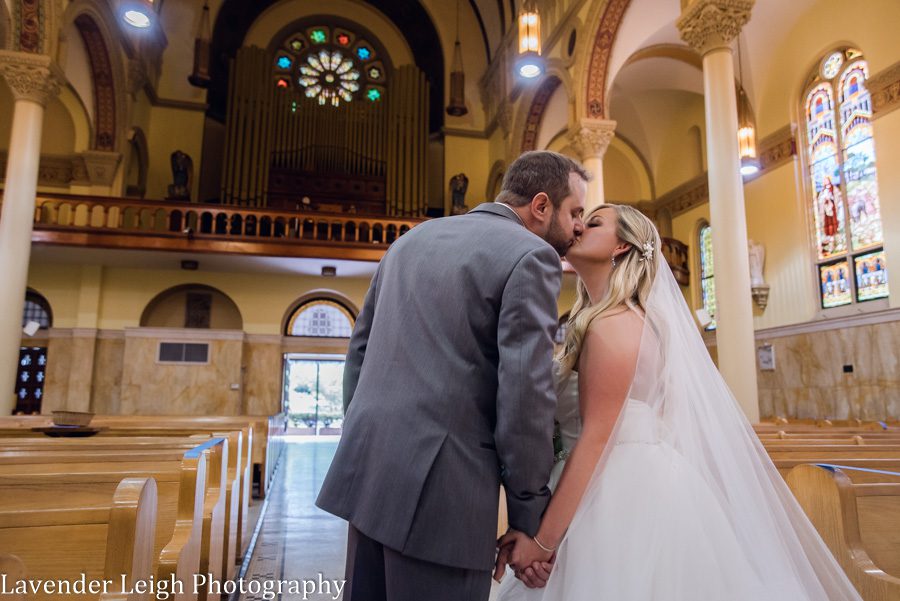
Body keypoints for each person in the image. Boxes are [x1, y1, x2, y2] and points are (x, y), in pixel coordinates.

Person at [495, 204, 863, 601]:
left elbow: (596, 439)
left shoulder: (614, 325)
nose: (580, 226)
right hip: (631, 478)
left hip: (618, 492)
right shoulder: (624, 319)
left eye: (595, 222)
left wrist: (545, 543)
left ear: (622, 245)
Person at [315, 150, 588, 601]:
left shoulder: (410, 240)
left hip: (370, 476)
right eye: (575, 212)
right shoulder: (532, 256)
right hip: (443, 496)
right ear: (541, 206)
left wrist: (370, 437)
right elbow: (524, 397)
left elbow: (359, 351)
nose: (579, 225)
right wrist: (528, 517)